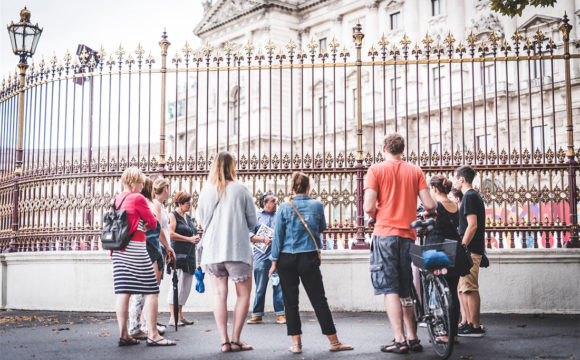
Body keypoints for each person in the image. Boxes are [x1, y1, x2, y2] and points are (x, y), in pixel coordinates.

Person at [363, 133, 436, 354]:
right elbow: (430, 205)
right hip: (407, 235)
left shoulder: (375, 170)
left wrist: (376, 212)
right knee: (406, 288)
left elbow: (368, 207)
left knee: (390, 289)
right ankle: (413, 337)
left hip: (385, 234)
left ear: (383, 148)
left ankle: (399, 339)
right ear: (403, 149)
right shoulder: (415, 171)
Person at [269, 171, 353, 354]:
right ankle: (334, 341)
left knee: (290, 302)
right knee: (319, 300)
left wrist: (274, 260)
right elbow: (322, 227)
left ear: (292, 187)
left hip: (286, 257)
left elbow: (278, 236)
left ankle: (296, 344)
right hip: (308, 256)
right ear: (308, 187)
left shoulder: (284, 207)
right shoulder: (317, 205)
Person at [198, 151, 257, 353]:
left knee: (219, 294)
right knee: (243, 295)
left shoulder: (206, 190)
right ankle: (236, 339)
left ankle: (224, 341)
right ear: (232, 166)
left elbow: (202, 220)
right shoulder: (241, 189)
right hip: (236, 249)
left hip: (213, 250)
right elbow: (253, 222)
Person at [111, 167, 176, 347]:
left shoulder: (117, 199)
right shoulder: (137, 198)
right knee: (152, 289)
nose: (142, 186)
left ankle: (124, 334)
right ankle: (153, 334)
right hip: (135, 249)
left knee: (124, 291)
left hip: (118, 251)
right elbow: (153, 223)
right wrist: (146, 225)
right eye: (140, 182)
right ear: (134, 182)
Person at [424, 175, 469, 344]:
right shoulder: (453, 205)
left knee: (437, 291)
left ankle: (442, 330)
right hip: (454, 250)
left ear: (434, 189)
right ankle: (454, 333)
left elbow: (426, 222)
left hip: (437, 251)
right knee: (451, 291)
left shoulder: (436, 206)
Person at [128, 177, 171, 339]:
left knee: (140, 291)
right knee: (149, 289)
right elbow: (156, 228)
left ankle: (138, 325)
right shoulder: (150, 205)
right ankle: (144, 326)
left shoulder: (141, 204)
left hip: (141, 249)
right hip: (150, 250)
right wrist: (167, 247)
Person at [453, 165, 486, 337]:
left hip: (470, 249)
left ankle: (474, 324)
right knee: (463, 287)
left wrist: (463, 246)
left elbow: (472, 226)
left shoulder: (470, 197)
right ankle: (467, 322)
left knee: (469, 288)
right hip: (469, 249)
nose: (454, 181)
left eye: (455, 178)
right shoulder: (470, 196)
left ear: (462, 179)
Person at [247, 192, 286, 325]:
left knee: (279, 286)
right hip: (261, 257)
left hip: (277, 257)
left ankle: (280, 314)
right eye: (273, 201)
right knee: (260, 287)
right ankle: (257, 314)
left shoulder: (280, 215)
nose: (276, 203)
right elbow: (249, 235)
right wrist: (263, 239)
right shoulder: (256, 216)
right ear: (265, 203)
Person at [167, 191, 200, 327]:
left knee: (185, 287)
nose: (189, 206)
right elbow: (171, 234)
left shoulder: (187, 217)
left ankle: (180, 315)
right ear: (179, 204)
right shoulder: (172, 215)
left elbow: (192, 232)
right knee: (177, 285)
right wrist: (189, 239)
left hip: (190, 255)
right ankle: (172, 317)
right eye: (187, 204)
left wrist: (195, 238)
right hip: (179, 254)